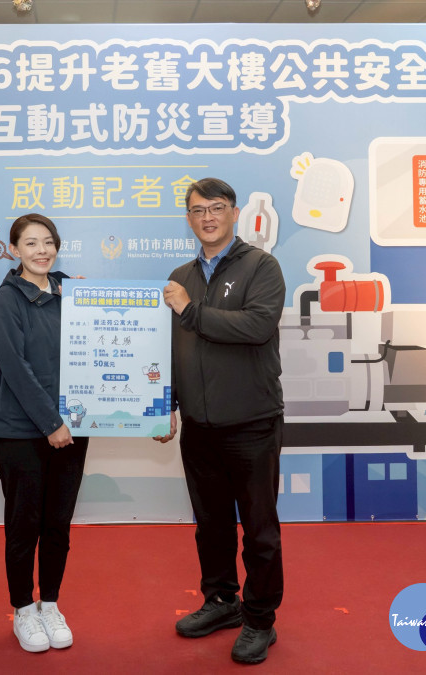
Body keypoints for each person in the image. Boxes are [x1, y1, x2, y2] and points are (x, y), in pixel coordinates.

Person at [154, 177, 286, 665]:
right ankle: (221, 601)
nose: (207, 217)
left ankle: (260, 619)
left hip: (252, 423)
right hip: (198, 426)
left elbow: (257, 326)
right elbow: (173, 347)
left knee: (259, 530)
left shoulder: (261, 266)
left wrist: (191, 311)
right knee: (210, 525)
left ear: (233, 212)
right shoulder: (181, 275)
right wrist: (165, 403)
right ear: (188, 218)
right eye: (197, 210)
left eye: (216, 208)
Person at [0, 213, 89, 654]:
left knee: (58, 524)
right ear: (14, 250)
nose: (41, 250)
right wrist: (52, 424)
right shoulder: (5, 302)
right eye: (30, 243)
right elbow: (16, 369)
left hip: (72, 430)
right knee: (23, 525)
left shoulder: (75, 296)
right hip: (20, 432)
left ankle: (50, 604)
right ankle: (23, 610)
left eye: (48, 242)